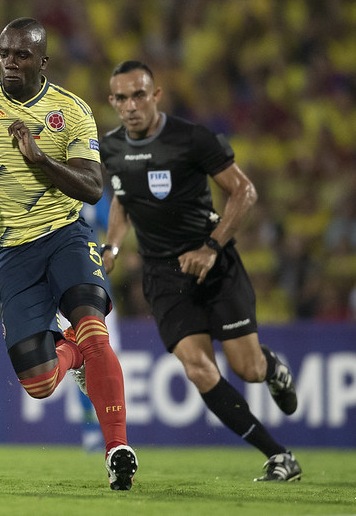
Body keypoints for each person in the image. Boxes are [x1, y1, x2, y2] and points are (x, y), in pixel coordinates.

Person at [0, 17, 137, 491]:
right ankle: (76, 354)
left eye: (21, 55)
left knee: (93, 326)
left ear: (42, 61)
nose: (10, 62)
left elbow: (91, 187)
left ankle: (117, 450)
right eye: (4, 53)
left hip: (66, 235)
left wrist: (40, 158)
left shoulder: (71, 111)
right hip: (11, 249)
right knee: (41, 383)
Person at [99, 60, 301, 482]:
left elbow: (244, 191)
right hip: (163, 275)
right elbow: (122, 199)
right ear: (112, 101)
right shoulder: (113, 147)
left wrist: (211, 248)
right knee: (198, 367)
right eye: (121, 97)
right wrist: (113, 245)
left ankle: (271, 368)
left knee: (247, 368)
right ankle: (278, 455)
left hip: (214, 264)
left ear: (156, 96)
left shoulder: (192, 139)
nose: (130, 105)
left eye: (139, 95)